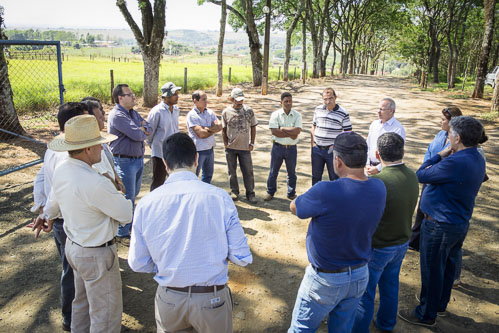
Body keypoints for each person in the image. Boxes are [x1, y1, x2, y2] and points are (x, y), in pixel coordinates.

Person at [128, 133, 252, 333]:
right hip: (212, 300)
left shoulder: (146, 203)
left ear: (166, 165)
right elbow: (242, 256)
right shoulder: (220, 198)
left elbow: (137, 263)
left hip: (169, 299)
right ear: (196, 159)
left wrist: (168, 263)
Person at [36, 115, 133, 332]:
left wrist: (46, 216)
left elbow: (53, 202)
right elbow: (126, 213)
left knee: (81, 304)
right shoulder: (95, 181)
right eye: (99, 144)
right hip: (96, 252)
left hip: (75, 246)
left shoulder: (63, 169)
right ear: (88, 149)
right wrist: (114, 189)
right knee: (105, 314)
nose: (102, 148)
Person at [288, 132, 386, 333]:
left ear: (338, 161)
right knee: (341, 329)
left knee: (301, 329)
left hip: (325, 278)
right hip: (359, 273)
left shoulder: (326, 190)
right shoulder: (379, 186)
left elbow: (295, 207)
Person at [398, 116, 486, 328]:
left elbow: (421, 174)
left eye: (449, 135)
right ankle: (439, 305)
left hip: (440, 224)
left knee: (432, 269)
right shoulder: (477, 156)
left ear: (457, 137)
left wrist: (439, 155)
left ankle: (425, 314)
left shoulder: (456, 161)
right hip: (458, 222)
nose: (447, 138)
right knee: (447, 267)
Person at [352, 133, 419, 333]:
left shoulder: (377, 182)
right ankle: (386, 323)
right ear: (403, 152)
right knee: (390, 285)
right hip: (401, 242)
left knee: (366, 293)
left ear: (377, 154)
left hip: (379, 246)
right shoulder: (412, 175)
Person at [409, 106, 462, 251]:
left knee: (432, 211)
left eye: (443, 120)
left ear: (452, 123)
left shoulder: (457, 142)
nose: (440, 121)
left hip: (440, 178)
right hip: (429, 175)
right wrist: (426, 164)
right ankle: (414, 240)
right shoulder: (440, 135)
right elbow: (430, 150)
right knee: (421, 208)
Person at [108, 84, 151, 240]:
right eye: (130, 94)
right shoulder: (117, 115)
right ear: (120, 98)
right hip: (125, 161)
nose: (134, 97)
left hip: (137, 160)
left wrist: (142, 129)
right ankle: (123, 233)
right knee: (127, 198)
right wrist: (141, 130)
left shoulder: (132, 113)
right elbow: (138, 135)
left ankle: (127, 228)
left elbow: (148, 127)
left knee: (134, 194)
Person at [222, 88, 258, 203]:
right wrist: (225, 144)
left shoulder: (249, 111)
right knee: (232, 172)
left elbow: (253, 126)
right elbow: (223, 129)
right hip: (231, 148)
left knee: (248, 171)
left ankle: (250, 193)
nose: (239, 102)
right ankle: (234, 191)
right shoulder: (226, 112)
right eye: (237, 100)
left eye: (241, 100)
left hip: (244, 148)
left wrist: (252, 143)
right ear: (231, 99)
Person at [264, 92, 302, 201]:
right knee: (273, 171)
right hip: (278, 147)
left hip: (291, 149)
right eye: (286, 101)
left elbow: (297, 131)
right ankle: (270, 192)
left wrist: (283, 128)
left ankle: (291, 193)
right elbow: (275, 132)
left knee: (292, 173)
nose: (288, 103)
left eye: (290, 101)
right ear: (281, 102)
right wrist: (291, 133)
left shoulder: (297, 115)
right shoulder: (275, 115)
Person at [310, 87, 352, 185]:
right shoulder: (318, 109)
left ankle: (335, 199)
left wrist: (336, 146)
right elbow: (313, 127)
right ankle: (316, 198)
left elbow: (348, 133)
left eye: (330, 98)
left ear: (335, 97)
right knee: (316, 177)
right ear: (322, 99)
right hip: (317, 150)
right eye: (325, 99)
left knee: (334, 177)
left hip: (332, 152)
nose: (328, 101)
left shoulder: (343, 112)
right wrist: (313, 145)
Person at [147, 82, 182, 190]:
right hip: (160, 153)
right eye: (174, 94)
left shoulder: (176, 110)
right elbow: (150, 132)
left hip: (174, 151)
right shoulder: (157, 112)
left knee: (176, 179)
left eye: (177, 93)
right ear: (166, 97)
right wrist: (153, 145)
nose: (177, 96)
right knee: (158, 181)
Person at [186, 90, 222, 184]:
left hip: (210, 149)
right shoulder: (192, 115)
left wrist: (207, 129)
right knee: (194, 175)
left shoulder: (210, 112)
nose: (206, 101)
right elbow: (201, 134)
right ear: (195, 101)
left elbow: (220, 126)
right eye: (203, 99)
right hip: (198, 151)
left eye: (206, 99)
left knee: (208, 175)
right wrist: (212, 129)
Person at [365, 97, 406, 175]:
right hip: (369, 167)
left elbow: (396, 154)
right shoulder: (374, 124)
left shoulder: (398, 129)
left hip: (386, 169)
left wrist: (378, 168)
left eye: (382, 109)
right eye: (378, 109)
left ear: (391, 111)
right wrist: (367, 164)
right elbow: (368, 145)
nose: (378, 112)